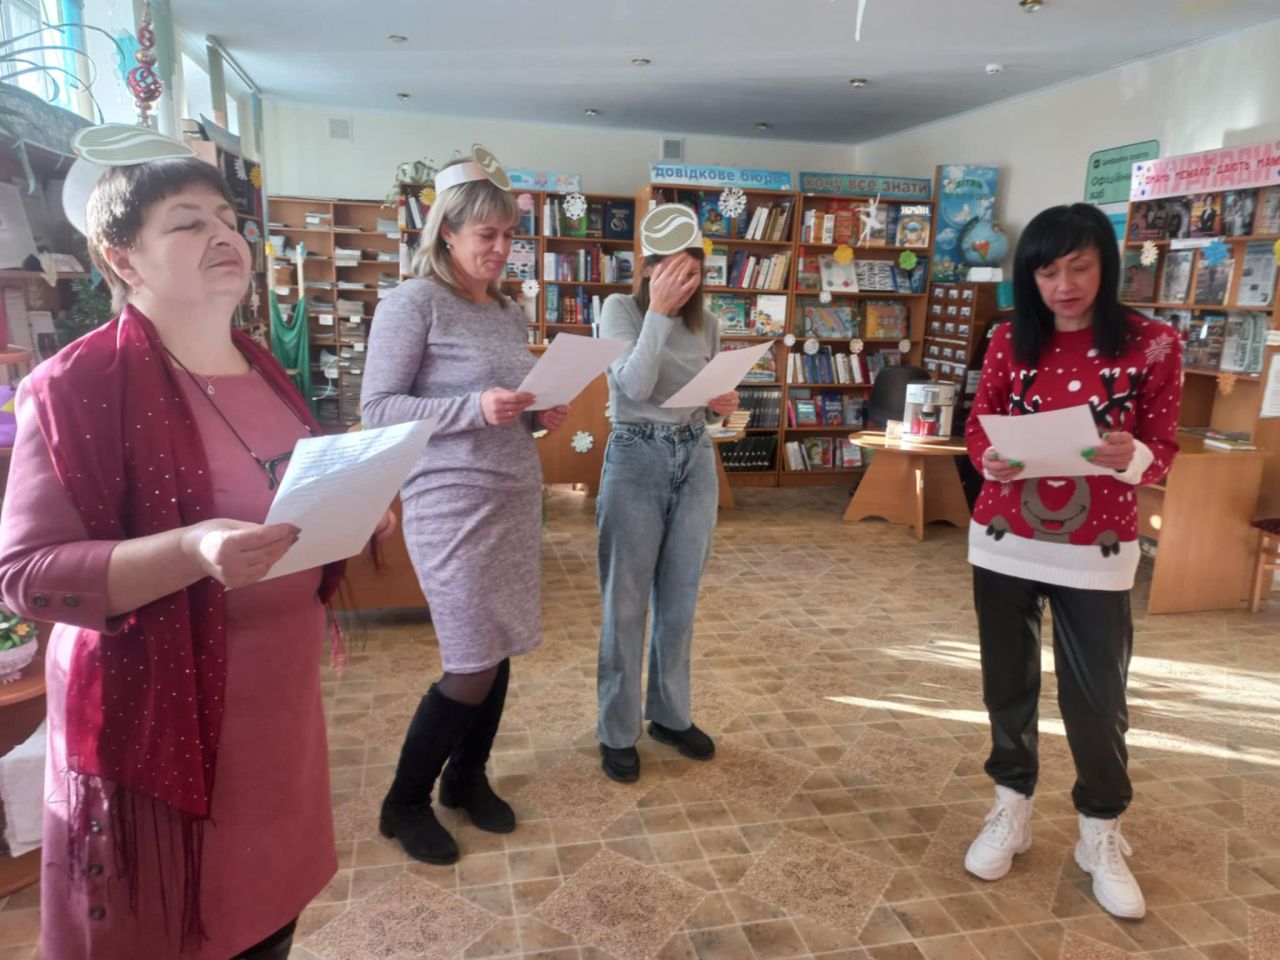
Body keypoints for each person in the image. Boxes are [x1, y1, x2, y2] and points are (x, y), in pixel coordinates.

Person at [0, 129, 392, 959]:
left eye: (228, 220)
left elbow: (276, 501)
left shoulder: (261, 367)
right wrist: (190, 550)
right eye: (187, 223)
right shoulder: (75, 386)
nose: (224, 236)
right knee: (174, 932)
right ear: (123, 258)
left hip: (276, 723)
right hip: (156, 729)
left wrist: (348, 512)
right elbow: (28, 576)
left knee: (266, 927)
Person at [962, 203, 1181, 921]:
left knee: (1097, 698)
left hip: (1098, 545)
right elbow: (980, 423)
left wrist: (1133, 453)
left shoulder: (1154, 344)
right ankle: (1011, 807)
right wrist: (987, 457)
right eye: (1047, 271)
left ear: (1105, 265)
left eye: (1079, 267)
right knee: (1008, 681)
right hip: (1004, 536)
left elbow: (1163, 448)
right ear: (1030, 277)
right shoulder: (1007, 339)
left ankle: (1099, 831)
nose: (1064, 285)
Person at [361, 148, 569, 865]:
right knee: (471, 660)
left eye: (510, 234)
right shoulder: (412, 302)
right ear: (446, 232)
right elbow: (379, 408)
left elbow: (505, 404)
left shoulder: (507, 310)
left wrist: (537, 413)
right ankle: (404, 802)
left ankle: (466, 777)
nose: (502, 248)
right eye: (487, 235)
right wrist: (473, 407)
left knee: (498, 645)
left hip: (512, 495)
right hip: (449, 502)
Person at [595, 204, 739, 783]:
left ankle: (670, 716)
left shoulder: (709, 323)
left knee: (679, 600)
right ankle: (616, 729)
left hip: (695, 454)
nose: (683, 280)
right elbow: (632, 385)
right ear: (648, 267)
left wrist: (720, 403)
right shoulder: (619, 309)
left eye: (692, 270)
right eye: (671, 269)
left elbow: (706, 398)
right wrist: (657, 312)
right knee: (625, 603)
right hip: (636, 454)